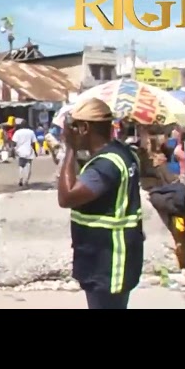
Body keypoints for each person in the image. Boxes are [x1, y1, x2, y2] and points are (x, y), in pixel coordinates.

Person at [57, 98, 143, 310]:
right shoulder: (122, 153)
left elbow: (66, 197)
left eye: (74, 127)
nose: (70, 132)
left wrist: (70, 149)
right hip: (114, 255)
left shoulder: (106, 165)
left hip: (107, 260)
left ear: (84, 128)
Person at [12, 120, 37, 188]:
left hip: (20, 151)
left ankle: (20, 179)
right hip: (29, 151)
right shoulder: (31, 132)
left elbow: (14, 143)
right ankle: (26, 181)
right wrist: (35, 151)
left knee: (21, 166)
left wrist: (13, 152)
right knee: (28, 166)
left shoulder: (17, 132)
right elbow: (33, 143)